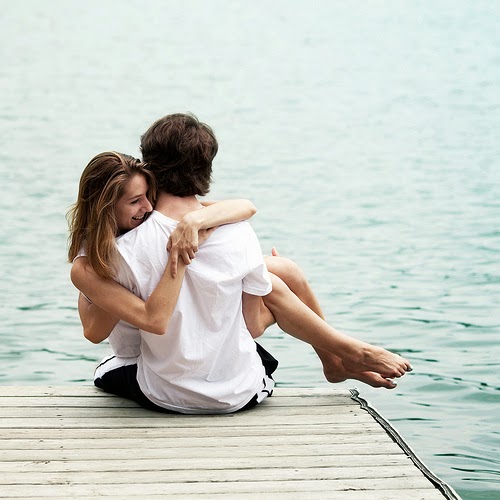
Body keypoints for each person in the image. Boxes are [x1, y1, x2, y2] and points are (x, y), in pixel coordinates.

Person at [69, 114, 412, 414]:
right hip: (237, 392)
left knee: (282, 272)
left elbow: (243, 206)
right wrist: (186, 246)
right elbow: (252, 325)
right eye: (134, 201)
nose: (144, 207)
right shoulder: (236, 230)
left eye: (144, 196)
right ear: (206, 169)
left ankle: (337, 356)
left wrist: (189, 230)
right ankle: (341, 352)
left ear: (151, 169)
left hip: (164, 391)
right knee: (278, 277)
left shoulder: (126, 248)